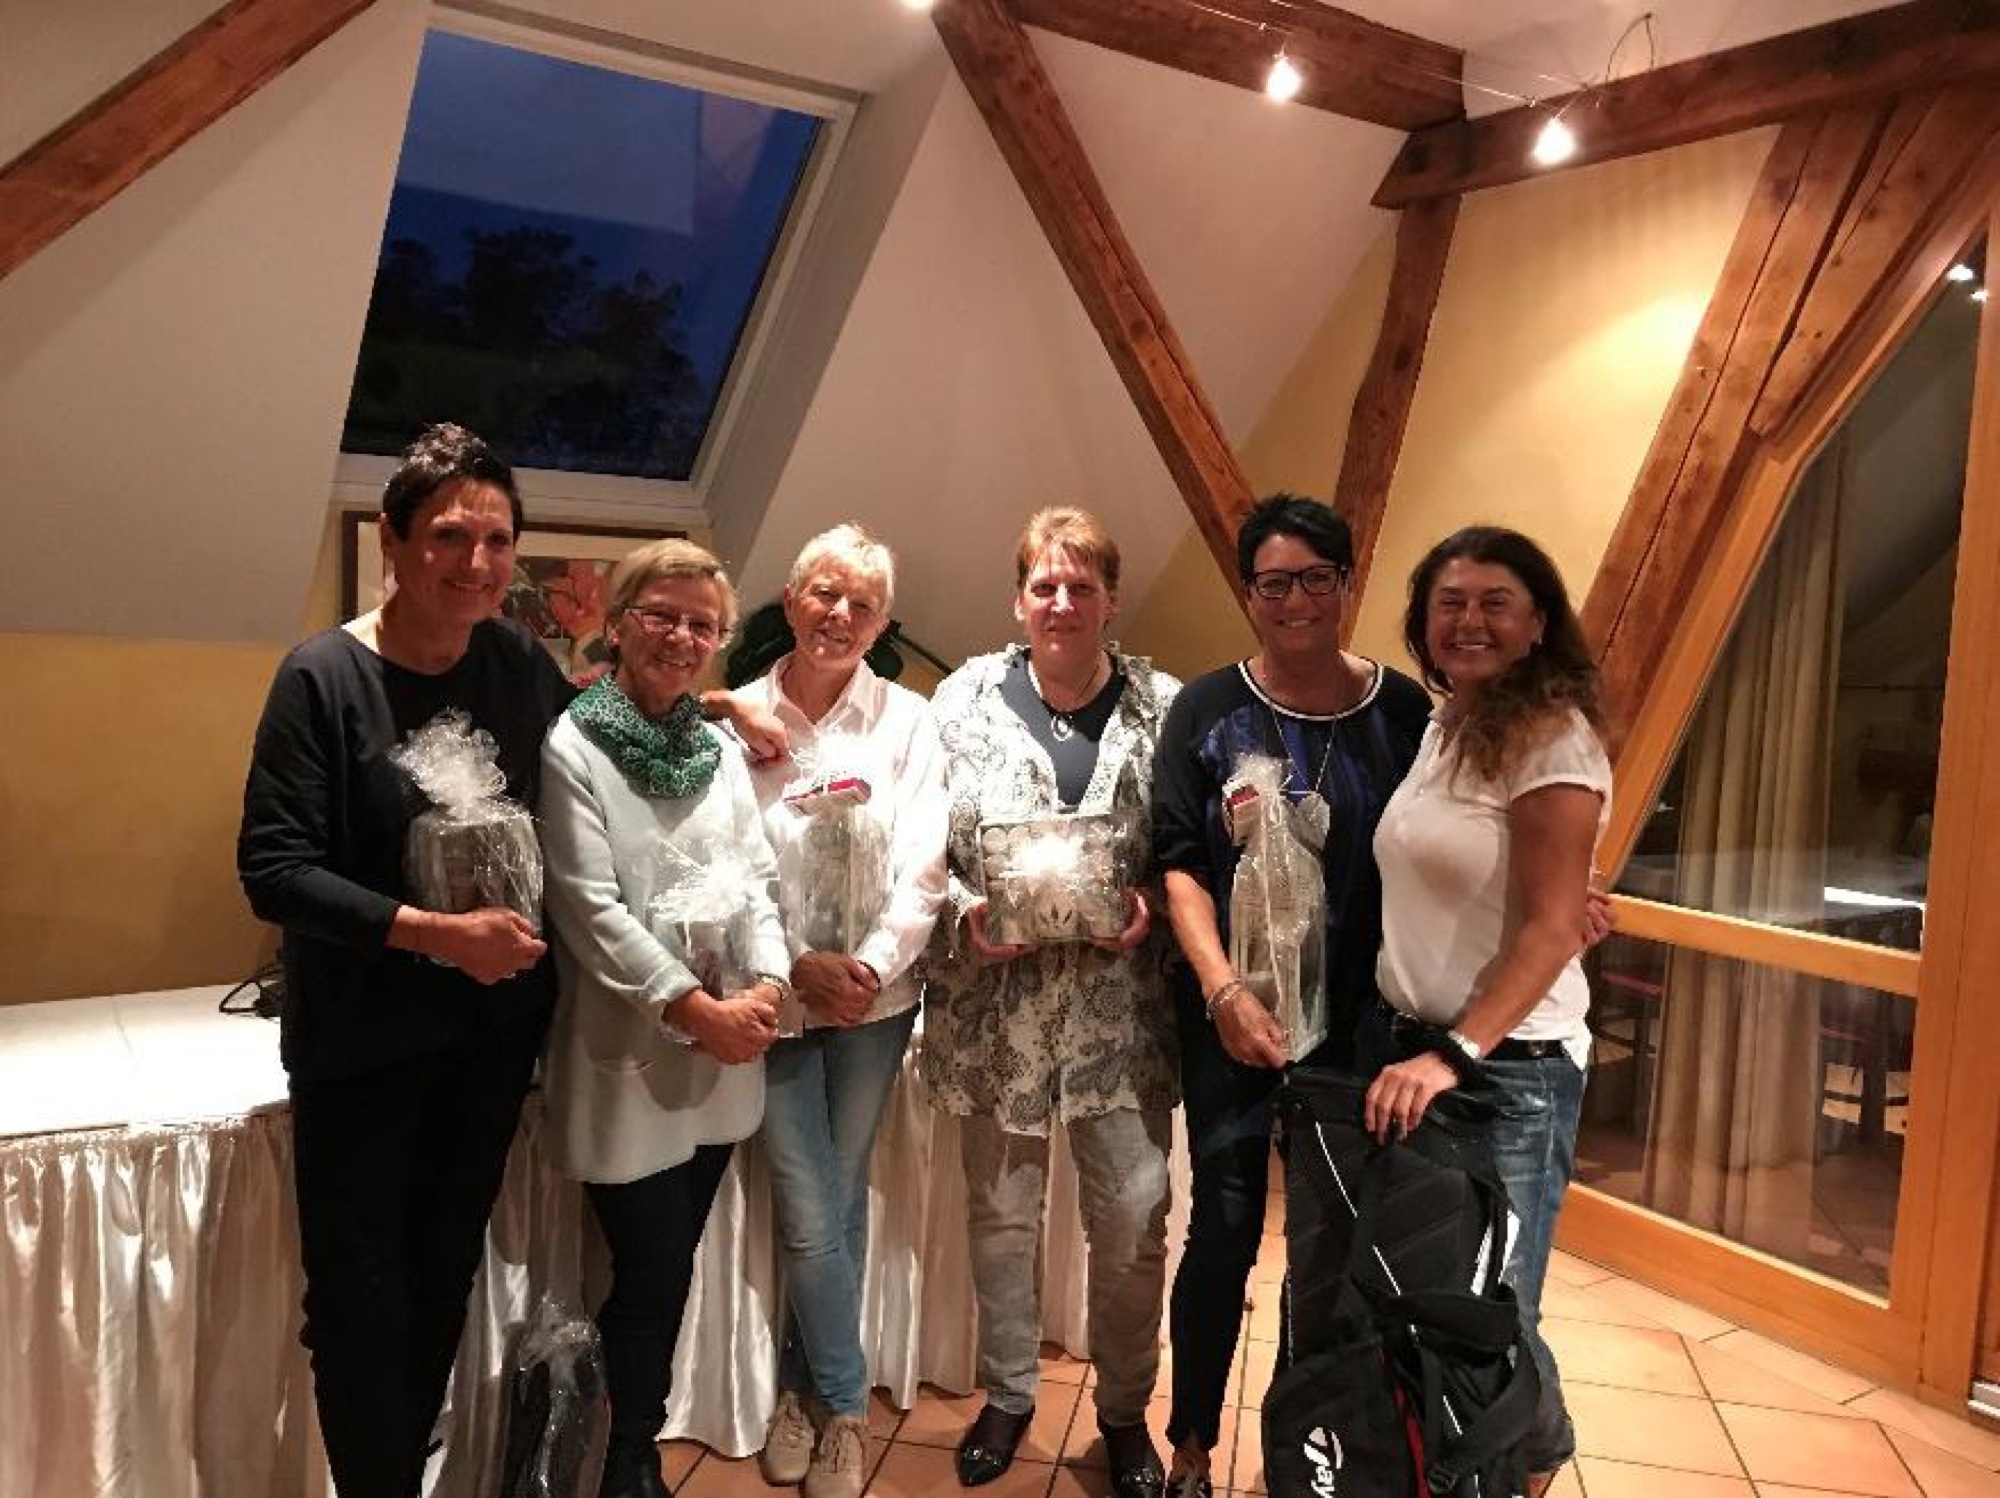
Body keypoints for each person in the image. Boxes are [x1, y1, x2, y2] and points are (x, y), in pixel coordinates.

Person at [237, 423, 573, 1498]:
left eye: (497, 539)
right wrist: (437, 935)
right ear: (392, 538)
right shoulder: (321, 678)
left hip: (487, 1044)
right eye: (448, 536)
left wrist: (720, 707)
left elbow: (596, 761)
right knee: (356, 1300)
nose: (476, 561)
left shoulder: (517, 663)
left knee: (439, 1278)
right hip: (363, 1047)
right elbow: (273, 871)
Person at [1151, 494, 1433, 1498]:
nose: (1296, 600)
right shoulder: (1205, 710)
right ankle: (1191, 1443)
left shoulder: (1405, 714)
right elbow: (1179, 863)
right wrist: (1222, 989)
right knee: (1223, 1228)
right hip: (1231, 1020)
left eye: (1316, 577)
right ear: (1249, 593)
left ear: (1346, 583)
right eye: (1274, 582)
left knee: (1329, 1247)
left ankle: (1305, 1447)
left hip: (1359, 1026)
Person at [923, 508, 1179, 1498]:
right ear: (1018, 600)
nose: (1062, 603)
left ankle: (1123, 1412)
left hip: (1122, 1017)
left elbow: (1191, 844)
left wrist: (1153, 906)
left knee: (1133, 1221)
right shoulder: (960, 702)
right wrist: (964, 912)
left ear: (1111, 600)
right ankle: (1009, 1393)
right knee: (1001, 1216)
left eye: (1082, 587)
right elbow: (919, 843)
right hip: (996, 1013)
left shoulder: (1163, 706)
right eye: (1045, 586)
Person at [538, 538, 793, 1498]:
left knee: (669, 1266)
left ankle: (631, 1443)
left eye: (702, 624)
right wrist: (693, 1007)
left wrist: (769, 983)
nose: (682, 638)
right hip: (628, 1059)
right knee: (646, 1268)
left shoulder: (716, 749)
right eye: (662, 616)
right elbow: (589, 910)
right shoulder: (574, 746)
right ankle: (626, 1457)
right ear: (618, 622)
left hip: (719, 1061)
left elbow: (756, 880)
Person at [1361, 526, 1610, 1492]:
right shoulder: (1450, 723)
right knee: (1445, 1292)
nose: (1469, 620)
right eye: (1450, 602)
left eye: (1495, 601)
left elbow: (1550, 927)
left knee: (1494, 1306)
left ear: (1538, 622)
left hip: (1507, 1070)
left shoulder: (1552, 740)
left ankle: (1515, 1462)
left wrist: (1454, 1053)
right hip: (1421, 1049)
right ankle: (1535, 1445)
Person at [731, 525, 948, 1498]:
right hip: (774, 1000)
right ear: (789, 600)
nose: (840, 615)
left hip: (874, 1000)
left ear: (880, 622)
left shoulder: (907, 721)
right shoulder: (737, 719)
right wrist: (791, 965)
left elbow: (925, 863)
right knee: (810, 1197)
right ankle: (846, 1403)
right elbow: (727, 864)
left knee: (838, 1188)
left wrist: (865, 965)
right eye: (825, 594)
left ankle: (801, 1394)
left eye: (862, 604)